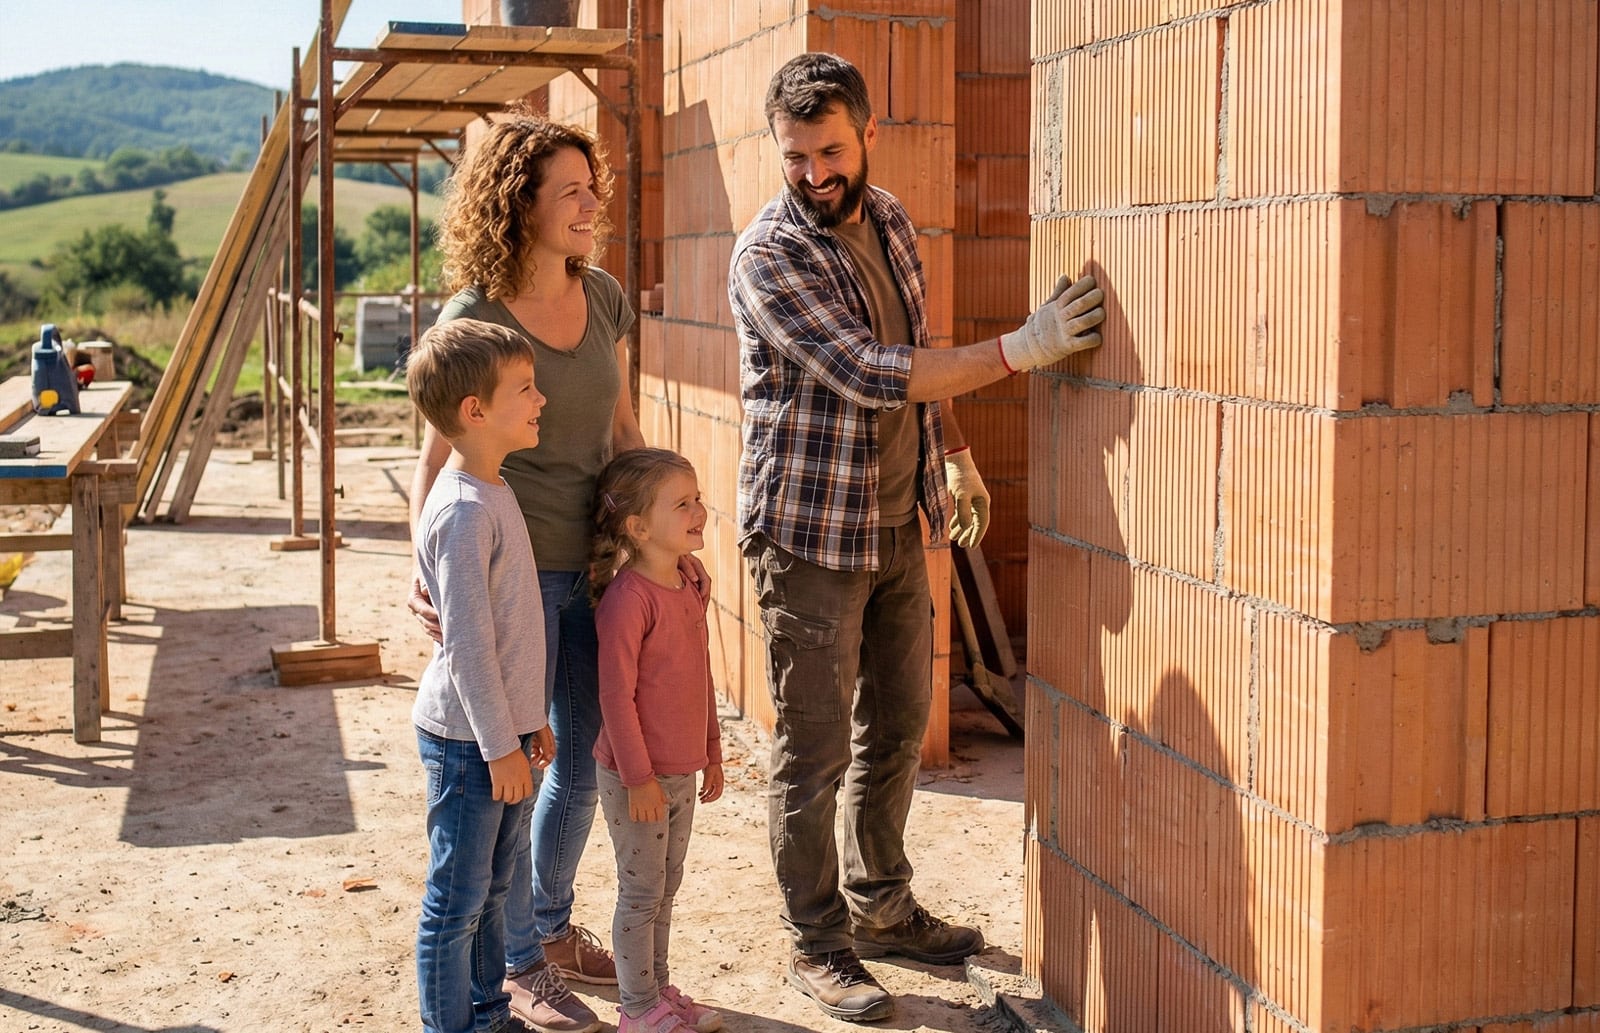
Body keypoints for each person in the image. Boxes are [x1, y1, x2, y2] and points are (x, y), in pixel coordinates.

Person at [727, 52, 1108, 1022]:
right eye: (795, 155)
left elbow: (917, 348)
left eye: (830, 151)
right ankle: (817, 942)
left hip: (896, 518)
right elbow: (869, 370)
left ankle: (881, 909)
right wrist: (1021, 349)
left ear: (867, 134)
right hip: (810, 536)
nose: (813, 174)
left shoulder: (891, 220)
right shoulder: (768, 255)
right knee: (812, 751)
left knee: (896, 727)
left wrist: (957, 453)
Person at [408, 113, 691, 1033]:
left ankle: (546, 924)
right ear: (518, 204)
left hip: (601, 566)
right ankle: (521, 958)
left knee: (583, 752)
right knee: (520, 761)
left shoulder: (603, 296)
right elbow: (438, 453)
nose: (590, 203)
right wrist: (423, 564)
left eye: (591, 185)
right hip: (512, 580)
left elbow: (623, 430)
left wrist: (660, 536)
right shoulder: (475, 313)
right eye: (569, 190)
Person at [405, 317, 558, 1033]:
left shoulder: (493, 487)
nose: (540, 399)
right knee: (456, 901)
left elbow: (511, 631)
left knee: (494, 891)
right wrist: (501, 745)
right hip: (470, 744)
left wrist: (531, 723)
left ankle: (490, 1013)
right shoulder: (464, 511)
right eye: (524, 388)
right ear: (475, 410)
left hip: (500, 736)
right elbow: (468, 647)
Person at [588, 448, 726, 1033]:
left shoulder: (689, 583)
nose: (699, 511)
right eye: (682, 504)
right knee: (641, 892)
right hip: (636, 778)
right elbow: (615, 697)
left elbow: (700, 673)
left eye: (697, 499)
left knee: (666, 888)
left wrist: (712, 750)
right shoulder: (629, 600)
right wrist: (638, 778)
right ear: (639, 528)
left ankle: (659, 990)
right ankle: (637, 1008)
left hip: (680, 771)